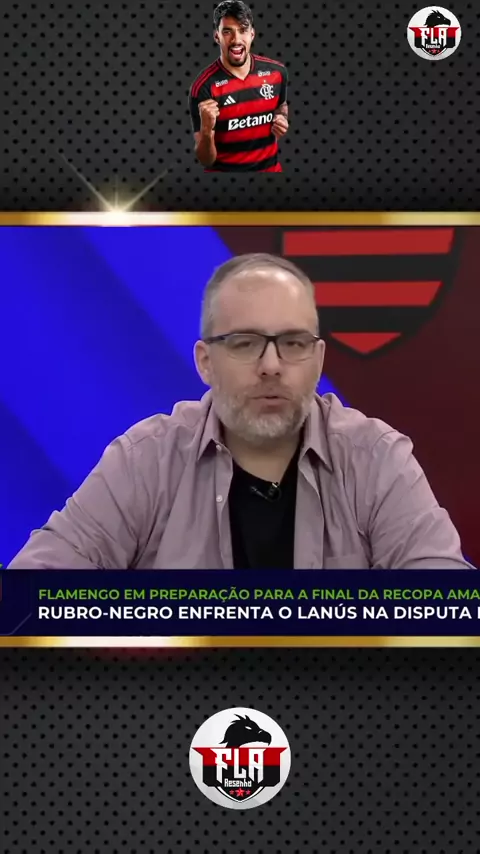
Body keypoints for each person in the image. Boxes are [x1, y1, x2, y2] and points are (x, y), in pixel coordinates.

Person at [8, 253, 473, 570]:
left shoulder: (375, 457)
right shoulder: (147, 459)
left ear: (318, 360)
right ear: (205, 362)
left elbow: (443, 607)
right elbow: (34, 593)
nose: (271, 366)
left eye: (293, 343)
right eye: (245, 343)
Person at [189, 0, 289, 172]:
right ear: (217, 36)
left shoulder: (277, 73)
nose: (236, 40)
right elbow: (206, 160)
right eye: (227, 31)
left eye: (243, 30)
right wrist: (206, 130)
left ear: (252, 34)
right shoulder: (204, 86)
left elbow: (281, 106)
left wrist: (282, 119)